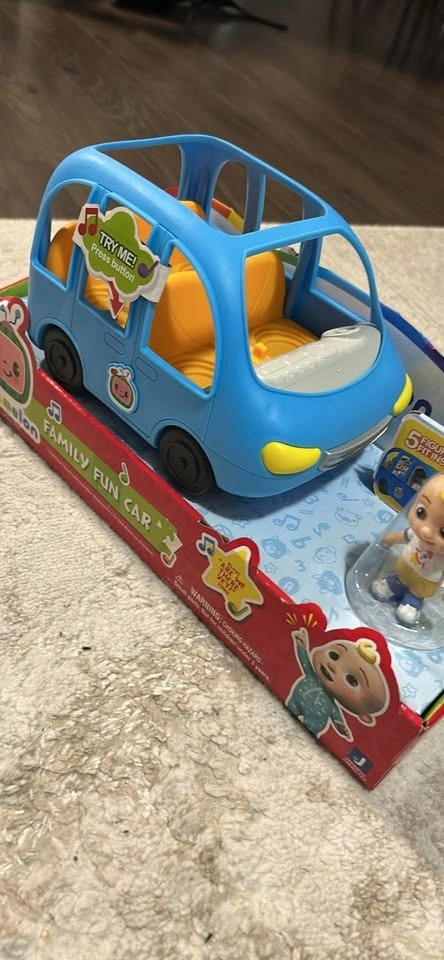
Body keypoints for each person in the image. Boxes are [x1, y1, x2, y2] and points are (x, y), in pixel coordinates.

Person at [372, 473, 444, 626]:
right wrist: (391, 539)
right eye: (421, 512)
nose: (425, 531)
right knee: (399, 580)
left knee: (416, 593)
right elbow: (403, 536)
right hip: (404, 569)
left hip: (426, 581)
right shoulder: (416, 535)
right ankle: (396, 585)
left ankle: (413, 602)